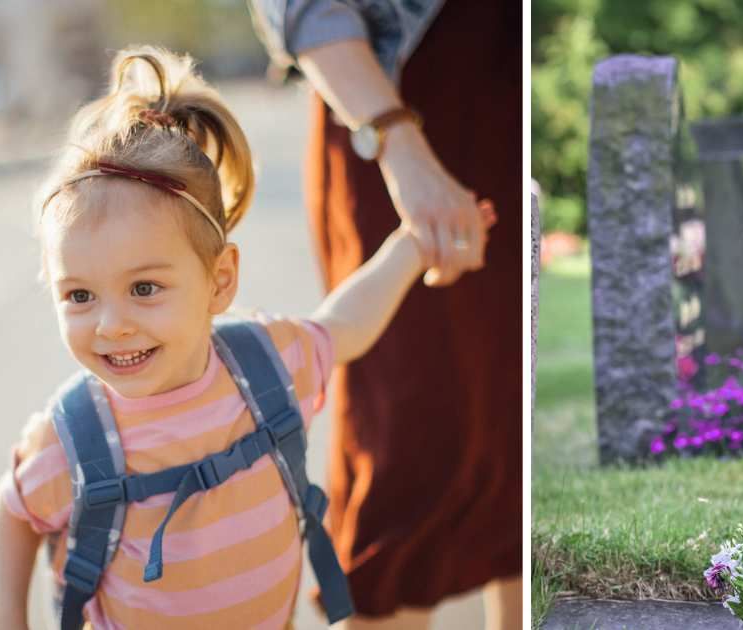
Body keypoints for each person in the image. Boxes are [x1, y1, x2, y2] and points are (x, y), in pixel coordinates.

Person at [0, 45, 492, 630]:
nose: (110, 324)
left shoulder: (266, 366)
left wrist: (410, 247)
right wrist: (5, 618)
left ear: (219, 280)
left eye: (145, 288)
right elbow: (15, 511)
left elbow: (344, 327)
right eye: (79, 296)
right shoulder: (72, 438)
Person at [249, 2, 522, 629]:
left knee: (511, 442)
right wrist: (398, 142)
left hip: (508, 94)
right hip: (398, 104)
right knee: (406, 452)